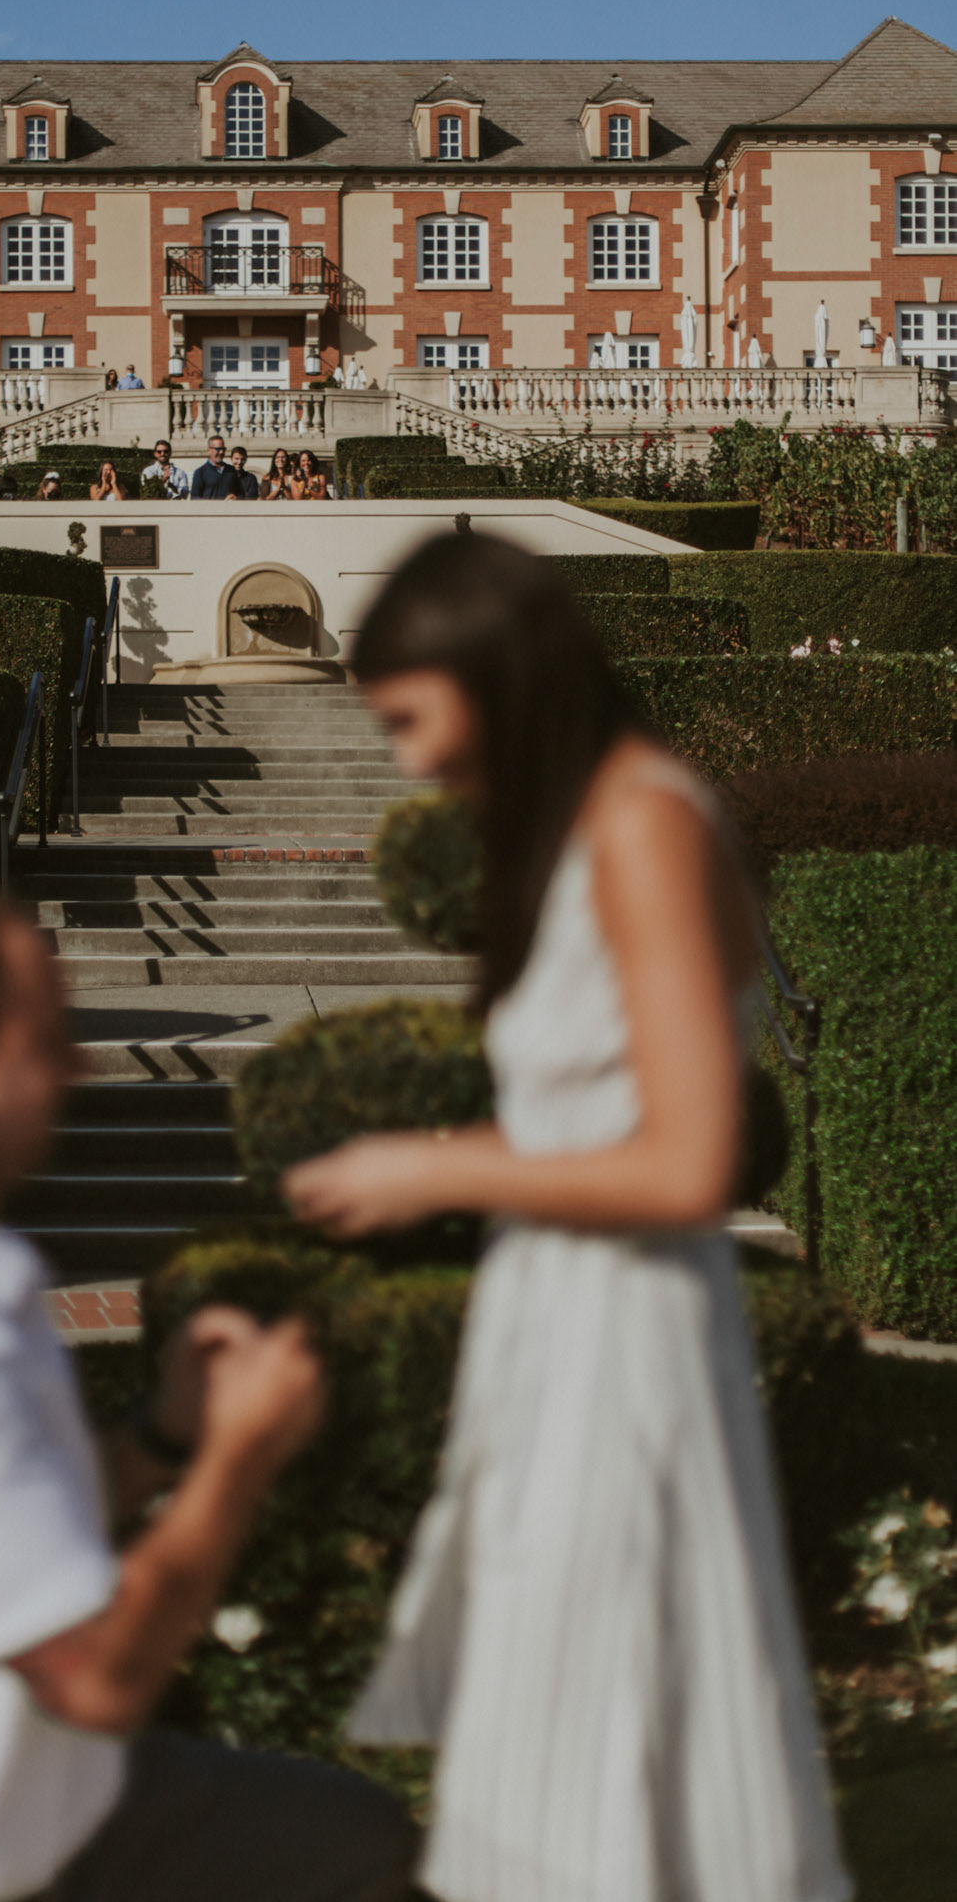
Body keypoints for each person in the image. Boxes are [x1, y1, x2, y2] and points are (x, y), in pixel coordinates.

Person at [284, 531, 849, 1902]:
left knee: (605, 1736)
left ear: (496, 674)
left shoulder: (645, 821)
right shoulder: (585, 829)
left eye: (414, 717)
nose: (410, 760)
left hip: (626, 1328)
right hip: (565, 1323)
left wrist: (437, 1171)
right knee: (557, 1736)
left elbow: (689, 1159)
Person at [0, 878, 417, 1902]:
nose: (77, 1064)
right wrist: (238, 1455)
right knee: (359, 1846)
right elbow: (98, 1676)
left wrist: (159, 1437)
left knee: (357, 1831)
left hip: (22, 1804)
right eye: (47, 1037)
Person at [188, 435, 240, 502]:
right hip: (209, 511)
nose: (221, 452)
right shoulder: (200, 472)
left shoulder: (231, 471)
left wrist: (235, 497)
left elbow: (240, 494)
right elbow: (195, 498)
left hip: (228, 511)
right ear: (209, 450)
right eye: (218, 449)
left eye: (223, 449)